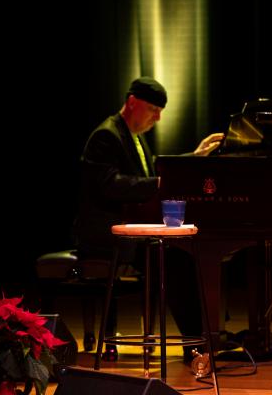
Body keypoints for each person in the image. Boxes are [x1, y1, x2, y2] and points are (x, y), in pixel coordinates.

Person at [71, 76, 224, 360]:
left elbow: (151, 174)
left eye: (160, 111)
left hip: (128, 230)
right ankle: (197, 344)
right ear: (132, 103)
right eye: (154, 109)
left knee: (183, 254)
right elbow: (110, 184)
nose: (158, 117)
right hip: (105, 234)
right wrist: (158, 183)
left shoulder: (134, 136)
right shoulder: (106, 135)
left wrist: (194, 157)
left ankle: (203, 337)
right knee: (176, 259)